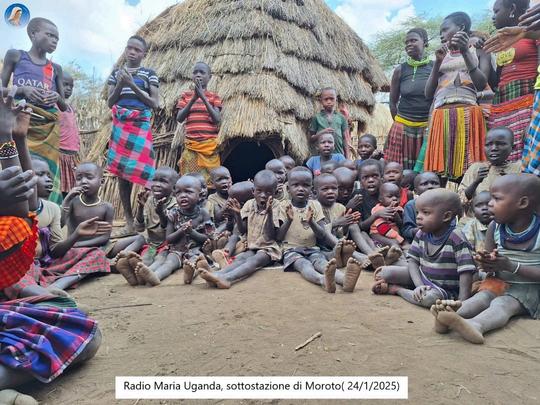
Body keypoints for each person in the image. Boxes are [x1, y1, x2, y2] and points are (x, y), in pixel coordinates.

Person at [432, 174, 540, 344]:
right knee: (481, 297)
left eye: (496, 199)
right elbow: (489, 265)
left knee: (502, 304)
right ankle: (450, 315)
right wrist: (487, 262)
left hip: (529, 288)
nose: (490, 203)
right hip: (498, 282)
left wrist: (511, 266)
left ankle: (477, 325)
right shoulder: (494, 227)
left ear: (522, 203)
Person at [7, 159, 112, 296]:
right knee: (13, 272)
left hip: (49, 263)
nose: (48, 180)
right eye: (41, 174)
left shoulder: (53, 208)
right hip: (23, 266)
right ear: (24, 180)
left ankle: (57, 286)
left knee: (96, 254)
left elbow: (55, 251)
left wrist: (76, 234)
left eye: (49, 175)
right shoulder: (12, 209)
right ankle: (42, 294)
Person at [372, 189, 475, 309]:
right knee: (384, 273)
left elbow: (466, 272)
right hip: (423, 276)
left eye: (425, 213)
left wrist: (462, 302)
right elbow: (413, 261)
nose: (418, 217)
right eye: (418, 212)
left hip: (443, 289)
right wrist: (419, 285)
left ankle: (397, 289)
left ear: (446, 216)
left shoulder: (456, 238)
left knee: (428, 299)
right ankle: (413, 289)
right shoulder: (422, 233)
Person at [419, 12, 492, 180]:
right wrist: (437, 62)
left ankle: (468, 195)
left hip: (469, 112)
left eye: (445, 29)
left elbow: (481, 84)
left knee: (470, 166)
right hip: (441, 114)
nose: (441, 35)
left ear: (461, 28)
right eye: (440, 32)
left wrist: (465, 51)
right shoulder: (440, 55)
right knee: (441, 170)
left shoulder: (478, 49)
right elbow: (428, 93)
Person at [1, 17, 67, 204]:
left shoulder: (56, 69)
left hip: (47, 128)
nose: (54, 41)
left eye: (57, 38)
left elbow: (64, 105)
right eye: (50, 35)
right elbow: (1, 90)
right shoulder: (15, 56)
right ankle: (15, 205)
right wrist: (23, 90)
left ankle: (46, 209)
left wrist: (57, 97)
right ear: (33, 34)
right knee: (15, 163)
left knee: (47, 170)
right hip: (20, 122)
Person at [107, 35, 159, 236]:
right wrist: (121, 83)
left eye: (137, 50)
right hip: (121, 126)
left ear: (143, 54)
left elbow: (154, 103)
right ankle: (129, 223)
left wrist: (132, 84)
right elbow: (110, 102)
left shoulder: (149, 74)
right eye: (129, 48)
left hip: (140, 126)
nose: (132, 52)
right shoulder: (116, 74)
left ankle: (144, 219)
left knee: (147, 173)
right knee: (122, 174)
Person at [200, 170, 281, 288]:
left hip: (268, 248)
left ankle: (228, 279)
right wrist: (237, 214)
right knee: (240, 259)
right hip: (252, 246)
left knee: (254, 261)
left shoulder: (277, 206)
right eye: (259, 191)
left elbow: (270, 236)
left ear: (275, 193)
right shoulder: (249, 204)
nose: (263, 195)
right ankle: (218, 275)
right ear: (253, 191)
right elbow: (242, 230)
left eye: (268, 192)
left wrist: (269, 213)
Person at [133, 176, 213, 286]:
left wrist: (191, 232)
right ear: (175, 194)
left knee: (194, 262)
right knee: (160, 261)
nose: (183, 195)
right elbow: (168, 238)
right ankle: (148, 275)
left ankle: (188, 275)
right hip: (157, 247)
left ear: (200, 195)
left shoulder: (202, 213)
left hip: (192, 250)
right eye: (179, 193)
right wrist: (181, 230)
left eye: (188, 192)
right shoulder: (156, 205)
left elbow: (207, 237)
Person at [488, 0, 537, 162]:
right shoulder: (504, 40)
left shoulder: (534, 31)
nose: (493, 17)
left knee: (526, 153)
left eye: (496, 11)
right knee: (503, 156)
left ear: (512, 9)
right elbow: (495, 81)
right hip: (501, 104)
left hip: (528, 102)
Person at [276, 167, 337, 292]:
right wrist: (289, 220)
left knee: (323, 264)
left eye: (305, 185)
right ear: (288, 188)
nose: (300, 189)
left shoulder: (315, 205)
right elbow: (278, 237)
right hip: (290, 250)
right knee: (304, 265)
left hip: (313, 249)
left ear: (311, 189)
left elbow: (322, 235)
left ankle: (345, 280)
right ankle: (322, 280)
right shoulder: (283, 206)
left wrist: (311, 222)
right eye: (296, 185)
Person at [116, 167, 179, 286]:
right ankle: (135, 274)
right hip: (152, 244)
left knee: (160, 259)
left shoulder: (176, 204)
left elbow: (168, 229)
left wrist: (161, 213)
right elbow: (139, 228)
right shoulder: (149, 201)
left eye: (163, 181)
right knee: (146, 258)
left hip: (167, 245)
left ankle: (146, 274)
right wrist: (140, 208)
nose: (157, 184)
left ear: (174, 188)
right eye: (154, 180)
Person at [385, 28, 434, 170]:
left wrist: (430, 124)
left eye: (413, 40)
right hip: (403, 125)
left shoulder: (434, 67)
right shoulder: (400, 70)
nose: (409, 44)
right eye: (406, 42)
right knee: (398, 171)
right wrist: (399, 124)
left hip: (427, 127)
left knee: (425, 171)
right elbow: (392, 102)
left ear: (425, 42)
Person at [314, 173, 365, 292]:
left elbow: (341, 233)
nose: (330, 192)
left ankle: (360, 255)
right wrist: (336, 223)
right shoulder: (314, 206)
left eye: (334, 188)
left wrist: (346, 223)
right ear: (315, 192)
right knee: (327, 231)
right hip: (320, 247)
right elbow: (320, 232)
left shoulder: (340, 207)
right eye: (325, 189)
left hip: (336, 243)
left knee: (353, 226)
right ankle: (354, 255)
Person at [177, 62, 222, 186]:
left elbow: (217, 119)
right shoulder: (185, 96)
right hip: (191, 146)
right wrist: (193, 98)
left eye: (202, 72)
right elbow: (179, 118)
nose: (198, 75)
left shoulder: (214, 97)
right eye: (195, 72)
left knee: (212, 182)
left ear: (209, 77)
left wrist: (203, 97)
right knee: (190, 182)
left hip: (209, 147)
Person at [457, 127, 521, 214]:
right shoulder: (476, 168)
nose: (493, 148)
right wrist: (476, 182)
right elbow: (461, 201)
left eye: (500, 144)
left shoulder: (518, 168)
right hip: (477, 221)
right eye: (488, 144)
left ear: (512, 147)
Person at [62, 163, 114, 251]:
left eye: (89, 177)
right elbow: (60, 224)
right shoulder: (72, 202)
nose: (83, 181)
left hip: (97, 247)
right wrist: (67, 200)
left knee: (137, 240)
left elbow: (105, 237)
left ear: (101, 182)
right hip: (74, 249)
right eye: (79, 178)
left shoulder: (107, 207)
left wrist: (79, 245)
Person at [58, 71, 81, 197]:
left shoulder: (71, 108)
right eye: (65, 85)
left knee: (71, 189)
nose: (69, 89)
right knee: (60, 188)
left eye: (71, 86)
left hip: (72, 156)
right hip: (59, 154)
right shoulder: (52, 106)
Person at [309, 88, 349, 157]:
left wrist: (347, 156)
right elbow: (311, 139)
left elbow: (345, 138)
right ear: (321, 101)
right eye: (326, 99)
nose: (329, 102)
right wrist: (322, 132)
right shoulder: (317, 117)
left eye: (332, 99)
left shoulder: (341, 117)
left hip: (338, 154)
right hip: (321, 156)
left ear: (336, 100)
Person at [402, 172, 441, 243]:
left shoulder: (445, 204)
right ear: (416, 191)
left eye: (434, 183)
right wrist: (421, 230)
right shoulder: (411, 205)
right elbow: (406, 231)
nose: (430, 186)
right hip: (418, 243)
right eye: (424, 184)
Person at [369, 183, 406, 249]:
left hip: (392, 233)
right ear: (381, 199)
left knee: (396, 242)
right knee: (394, 242)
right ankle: (398, 252)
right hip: (378, 234)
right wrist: (400, 239)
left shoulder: (399, 209)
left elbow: (401, 224)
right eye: (390, 196)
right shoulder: (378, 210)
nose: (394, 199)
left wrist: (397, 217)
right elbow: (383, 229)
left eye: (397, 196)